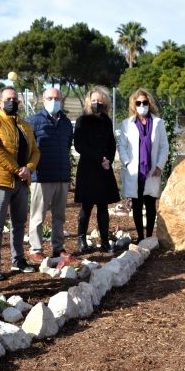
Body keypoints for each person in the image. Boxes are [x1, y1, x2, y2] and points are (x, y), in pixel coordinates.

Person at [0, 87, 40, 281]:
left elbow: (35, 151)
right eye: (8, 99)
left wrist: (29, 168)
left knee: (19, 223)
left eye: (15, 99)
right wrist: (18, 169)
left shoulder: (25, 125)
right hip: (1, 181)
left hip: (22, 181)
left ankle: (18, 260)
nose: (12, 102)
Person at [25, 87, 73, 260]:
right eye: (50, 98)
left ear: (62, 101)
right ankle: (36, 249)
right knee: (38, 215)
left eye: (57, 98)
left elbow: (67, 145)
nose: (54, 101)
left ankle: (58, 247)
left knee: (59, 216)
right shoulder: (32, 121)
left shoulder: (66, 123)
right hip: (41, 176)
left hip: (62, 176)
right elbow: (28, 148)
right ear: (43, 100)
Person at [118, 89, 170, 243]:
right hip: (135, 171)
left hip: (152, 170)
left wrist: (160, 165)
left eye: (145, 102)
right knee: (137, 204)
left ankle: (149, 237)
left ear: (149, 103)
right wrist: (127, 163)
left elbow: (164, 146)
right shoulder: (127, 124)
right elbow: (122, 146)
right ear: (134, 105)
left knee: (151, 204)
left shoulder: (158, 123)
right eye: (138, 102)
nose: (142, 105)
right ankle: (140, 237)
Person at [74, 86, 121, 253]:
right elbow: (79, 145)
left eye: (99, 101)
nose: (96, 103)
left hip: (104, 169)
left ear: (105, 103)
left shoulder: (107, 121)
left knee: (103, 207)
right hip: (88, 168)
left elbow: (111, 144)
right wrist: (99, 158)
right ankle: (81, 241)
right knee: (86, 207)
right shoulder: (82, 121)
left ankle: (105, 241)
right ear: (88, 102)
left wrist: (108, 159)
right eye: (93, 101)